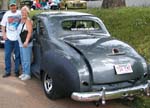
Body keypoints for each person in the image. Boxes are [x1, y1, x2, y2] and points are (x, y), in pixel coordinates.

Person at [1, 0, 21, 78]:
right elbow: (3, 25)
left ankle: (16, 71)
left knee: (17, 56)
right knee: (7, 55)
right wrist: (4, 34)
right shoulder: (7, 14)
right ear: (9, 6)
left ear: (16, 6)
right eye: (11, 6)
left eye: (14, 5)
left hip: (17, 38)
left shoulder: (19, 13)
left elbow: (26, 19)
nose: (13, 7)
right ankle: (8, 71)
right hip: (8, 38)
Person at [17, 6, 33, 81]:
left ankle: (27, 74)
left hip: (26, 43)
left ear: (27, 13)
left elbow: (29, 32)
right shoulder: (21, 20)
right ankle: (24, 72)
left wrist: (26, 41)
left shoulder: (28, 21)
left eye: (25, 11)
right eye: (22, 11)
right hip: (21, 43)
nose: (23, 13)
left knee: (26, 59)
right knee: (23, 59)